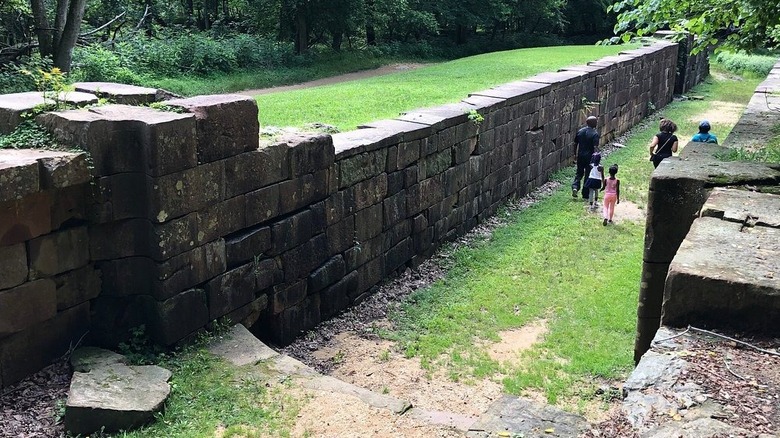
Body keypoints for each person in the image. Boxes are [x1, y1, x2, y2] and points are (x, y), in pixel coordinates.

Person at [572, 116, 600, 199]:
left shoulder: (580, 131)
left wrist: (575, 154)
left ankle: (575, 187)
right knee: (588, 175)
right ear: (593, 123)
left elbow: (575, 143)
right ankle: (585, 193)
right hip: (590, 157)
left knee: (579, 173)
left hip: (580, 155)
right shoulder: (595, 134)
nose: (597, 123)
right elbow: (595, 147)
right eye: (596, 121)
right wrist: (597, 158)